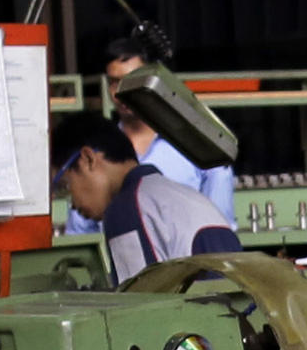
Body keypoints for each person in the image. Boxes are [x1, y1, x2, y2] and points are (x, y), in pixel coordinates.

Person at [55, 115, 242, 277]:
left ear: (88, 159)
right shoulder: (183, 195)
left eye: (66, 185)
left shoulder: (125, 207)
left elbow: (137, 309)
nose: (72, 205)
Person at [101, 35, 238, 223]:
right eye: (113, 82)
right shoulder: (99, 151)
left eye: (130, 80)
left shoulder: (195, 144)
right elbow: (80, 233)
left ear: (152, 80)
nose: (120, 92)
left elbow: (221, 227)